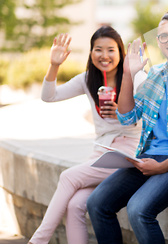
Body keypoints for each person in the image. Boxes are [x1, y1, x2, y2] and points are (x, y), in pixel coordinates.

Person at [86, 13, 168, 244]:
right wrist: (127, 74)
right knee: (96, 204)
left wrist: (161, 167)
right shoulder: (155, 74)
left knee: (138, 210)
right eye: (164, 36)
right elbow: (127, 117)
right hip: (146, 158)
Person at [28, 27, 143, 244]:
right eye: (98, 50)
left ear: (120, 52)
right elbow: (49, 96)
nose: (104, 56)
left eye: (111, 50)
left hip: (129, 151)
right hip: (102, 152)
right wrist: (54, 65)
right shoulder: (88, 79)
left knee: (68, 176)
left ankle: (38, 240)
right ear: (91, 53)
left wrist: (124, 112)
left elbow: (153, 119)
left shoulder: (134, 76)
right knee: (74, 205)